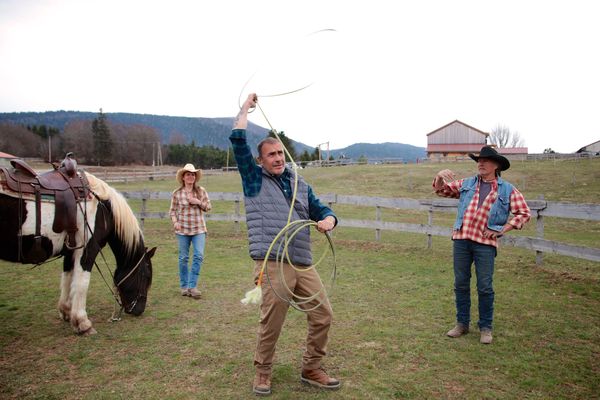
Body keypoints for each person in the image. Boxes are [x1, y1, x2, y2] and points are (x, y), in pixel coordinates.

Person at [231, 93, 340, 396]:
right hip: (274, 262)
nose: (278, 158)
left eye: (280, 153)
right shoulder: (253, 180)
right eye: (271, 155)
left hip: (302, 263)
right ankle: (263, 372)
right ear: (260, 161)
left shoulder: (300, 184)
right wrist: (244, 110)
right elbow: (238, 140)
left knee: (323, 314)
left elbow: (323, 210)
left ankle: (311, 368)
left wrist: (329, 220)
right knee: (273, 320)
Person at [433, 146, 531, 344]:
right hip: (461, 240)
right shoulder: (468, 183)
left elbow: (524, 213)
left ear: (496, 165)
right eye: (479, 160)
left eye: (485, 160)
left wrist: (502, 230)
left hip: (485, 244)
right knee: (461, 283)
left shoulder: (507, 189)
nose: (480, 163)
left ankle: (485, 327)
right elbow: (441, 191)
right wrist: (440, 177)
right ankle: (462, 324)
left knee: (484, 286)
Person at [169, 163, 212, 299]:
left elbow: (208, 207)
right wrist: (175, 222)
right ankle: (184, 286)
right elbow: (172, 211)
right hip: (182, 230)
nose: (191, 177)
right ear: (183, 177)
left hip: (199, 229)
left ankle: (192, 286)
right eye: (188, 174)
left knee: (198, 256)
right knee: (183, 258)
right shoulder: (177, 193)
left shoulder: (201, 191)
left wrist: (198, 201)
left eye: (193, 174)